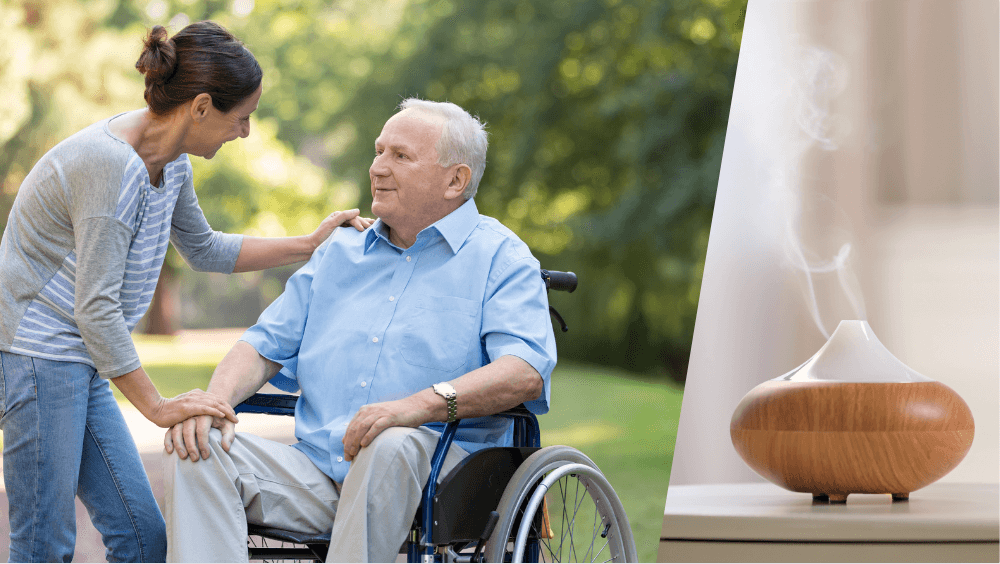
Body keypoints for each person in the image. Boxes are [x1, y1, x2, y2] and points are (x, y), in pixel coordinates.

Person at [0, 21, 370, 563]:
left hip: (83, 358)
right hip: (37, 355)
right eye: (240, 117)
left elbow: (205, 249)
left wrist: (309, 243)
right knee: (45, 543)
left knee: (143, 537)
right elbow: (96, 309)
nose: (244, 131)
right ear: (200, 107)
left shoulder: (169, 165)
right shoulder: (109, 166)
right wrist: (157, 407)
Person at [162, 98, 557, 562]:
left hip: (442, 475)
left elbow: (524, 370)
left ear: (456, 180)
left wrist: (413, 408)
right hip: (319, 470)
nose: (378, 168)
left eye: (400, 156)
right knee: (197, 445)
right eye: (378, 151)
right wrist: (214, 402)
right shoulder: (340, 253)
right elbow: (262, 345)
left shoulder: (501, 258)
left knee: (388, 442)